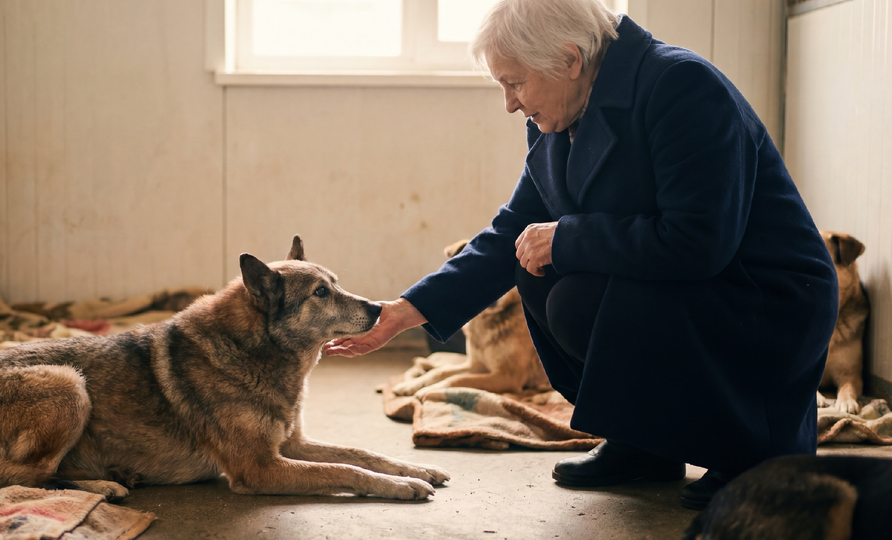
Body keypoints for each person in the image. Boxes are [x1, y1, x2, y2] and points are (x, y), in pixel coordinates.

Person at [325, 0, 838, 511]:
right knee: (538, 268)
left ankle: (755, 454)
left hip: (762, 300)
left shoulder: (683, 85)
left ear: (570, 59)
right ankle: (646, 443)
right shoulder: (561, 107)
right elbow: (512, 232)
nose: (509, 103)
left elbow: (700, 241)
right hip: (692, 288)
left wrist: (569, 239)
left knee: (574, 288)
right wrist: (403, 313)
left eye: (515, 82)